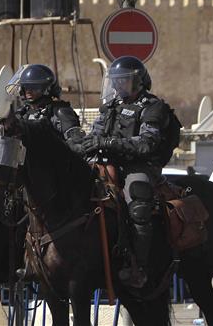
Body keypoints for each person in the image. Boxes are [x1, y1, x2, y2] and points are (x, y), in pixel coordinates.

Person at [80, 56, 180, 288]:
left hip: (140, 166)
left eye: (124, 80)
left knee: (138, 201)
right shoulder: (111, 107)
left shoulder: (153, 107)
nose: (118, 85)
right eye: (115, 81)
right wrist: (82, 145)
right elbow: (95, 134)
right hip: (108, 163)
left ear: (138, 81)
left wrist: (107, 143)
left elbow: (146, 144)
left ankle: (139, 266)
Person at [5, 64, 85, 145]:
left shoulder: (60, 112)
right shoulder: (23, 113)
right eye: (26, 87)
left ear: (47, 89)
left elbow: (76, 142)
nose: (28, 91)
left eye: (34, 87)